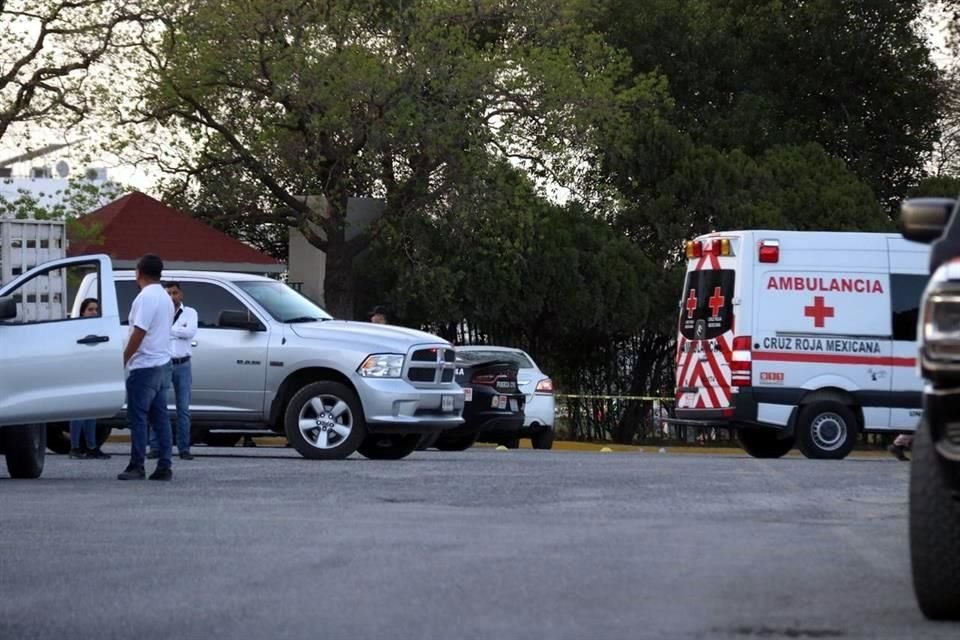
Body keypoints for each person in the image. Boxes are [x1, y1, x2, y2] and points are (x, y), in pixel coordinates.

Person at [118, 254, 175, 481]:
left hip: (145, 365)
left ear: (138, 272)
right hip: (163, 363)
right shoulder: (165, 297)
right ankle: (165, 465)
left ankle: (136, 465)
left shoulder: (145, 298)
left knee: (139, 417)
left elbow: (139, 331)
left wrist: (124, 358)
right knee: (160, 418)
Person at [148, 281, 198, 460]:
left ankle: (184, 449)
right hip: (163, 363)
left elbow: (190, 332)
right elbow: (154, 333)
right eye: (168, 293)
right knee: (158, 406)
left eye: (174, 293)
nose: (171, 296)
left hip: (183, 364)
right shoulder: (159, 313)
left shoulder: (190, 312)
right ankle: (155, 447)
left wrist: (168, 330)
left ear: (181, 294)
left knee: (183, 409)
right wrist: (177, 330)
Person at [68, 298, 111, 460]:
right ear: (82, 312)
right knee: (78, 410)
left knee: (91, 410)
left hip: (93, 371)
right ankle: (75, 447)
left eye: (96, 310)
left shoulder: (98, 328)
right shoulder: (76, 328)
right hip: (78, 371)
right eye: (90, 309)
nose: (94, 312)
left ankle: (92, 447)